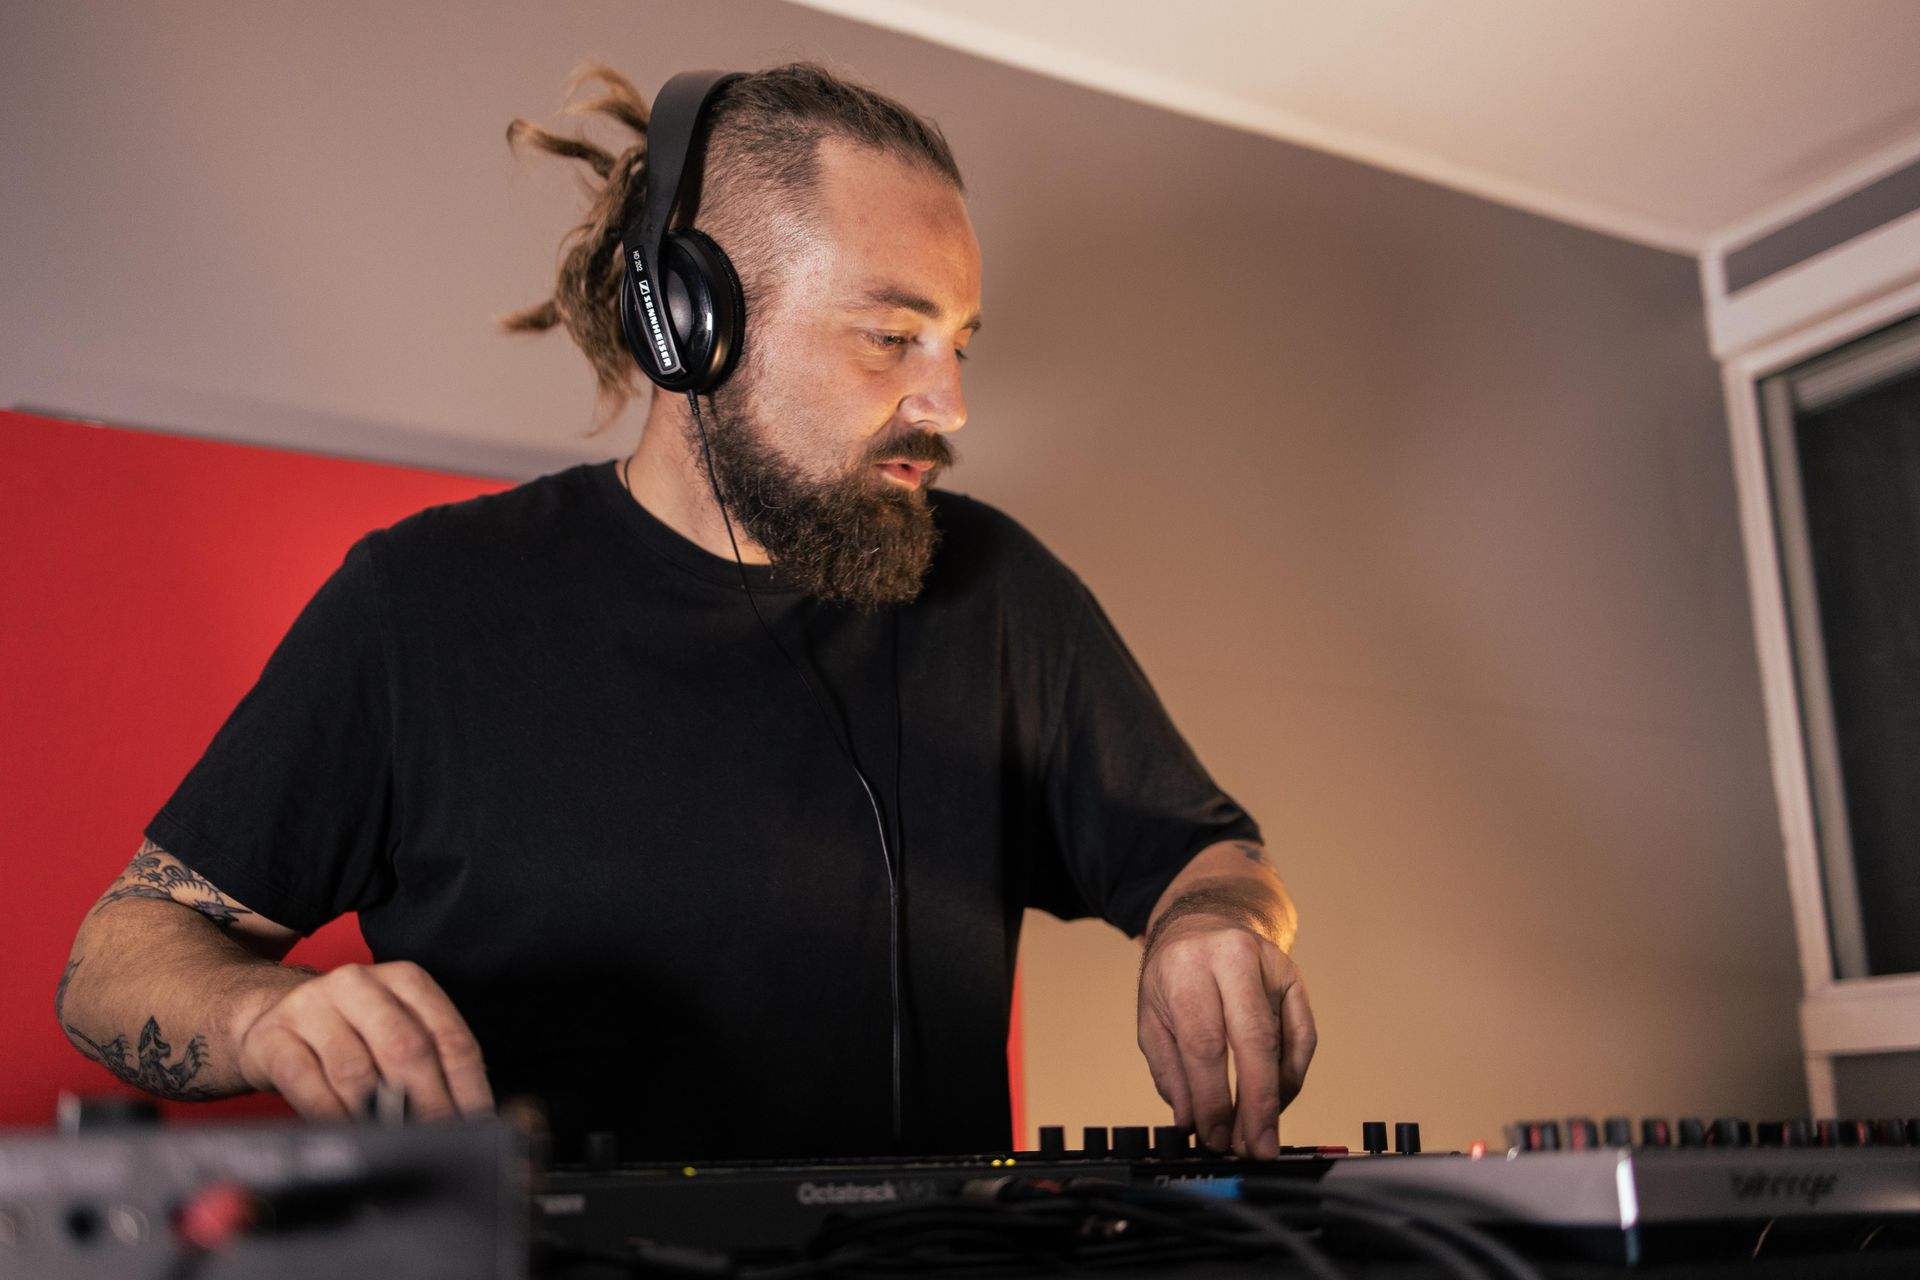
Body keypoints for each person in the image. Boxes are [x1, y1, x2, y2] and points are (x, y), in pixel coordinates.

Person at [57, 62, 1314, 1162]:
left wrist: (1214, 923)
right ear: (694, 325)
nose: (950, 403)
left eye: (960, 342)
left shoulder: (995, 589)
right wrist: (261, 1015)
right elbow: (115, 959)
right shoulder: (423, 603)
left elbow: (1211, 855)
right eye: (892, 336)